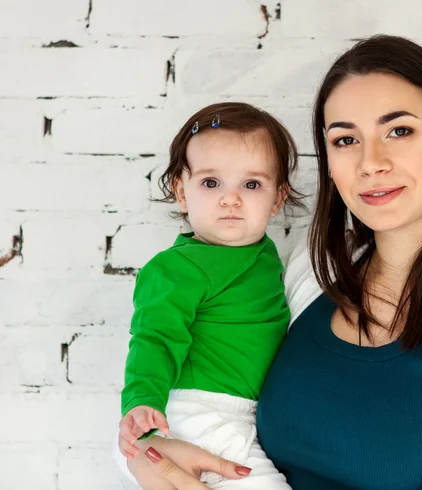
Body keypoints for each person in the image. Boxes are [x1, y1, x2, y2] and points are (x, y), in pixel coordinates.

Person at [117, 35, 422, 490]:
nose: (371, 162)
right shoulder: (312, 266)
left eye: (399, 131)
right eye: (345, 139)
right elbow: (184, 401)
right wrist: (142, 457)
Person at [115, 102, 304, 490]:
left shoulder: (265, 254)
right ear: (182, 193)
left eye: (251, 185)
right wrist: (141, 403)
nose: (230, 199)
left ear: (277, 198)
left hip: (244, 415)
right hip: (200, 414)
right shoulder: (176, 268)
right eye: (211, 183)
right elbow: (154, 338)